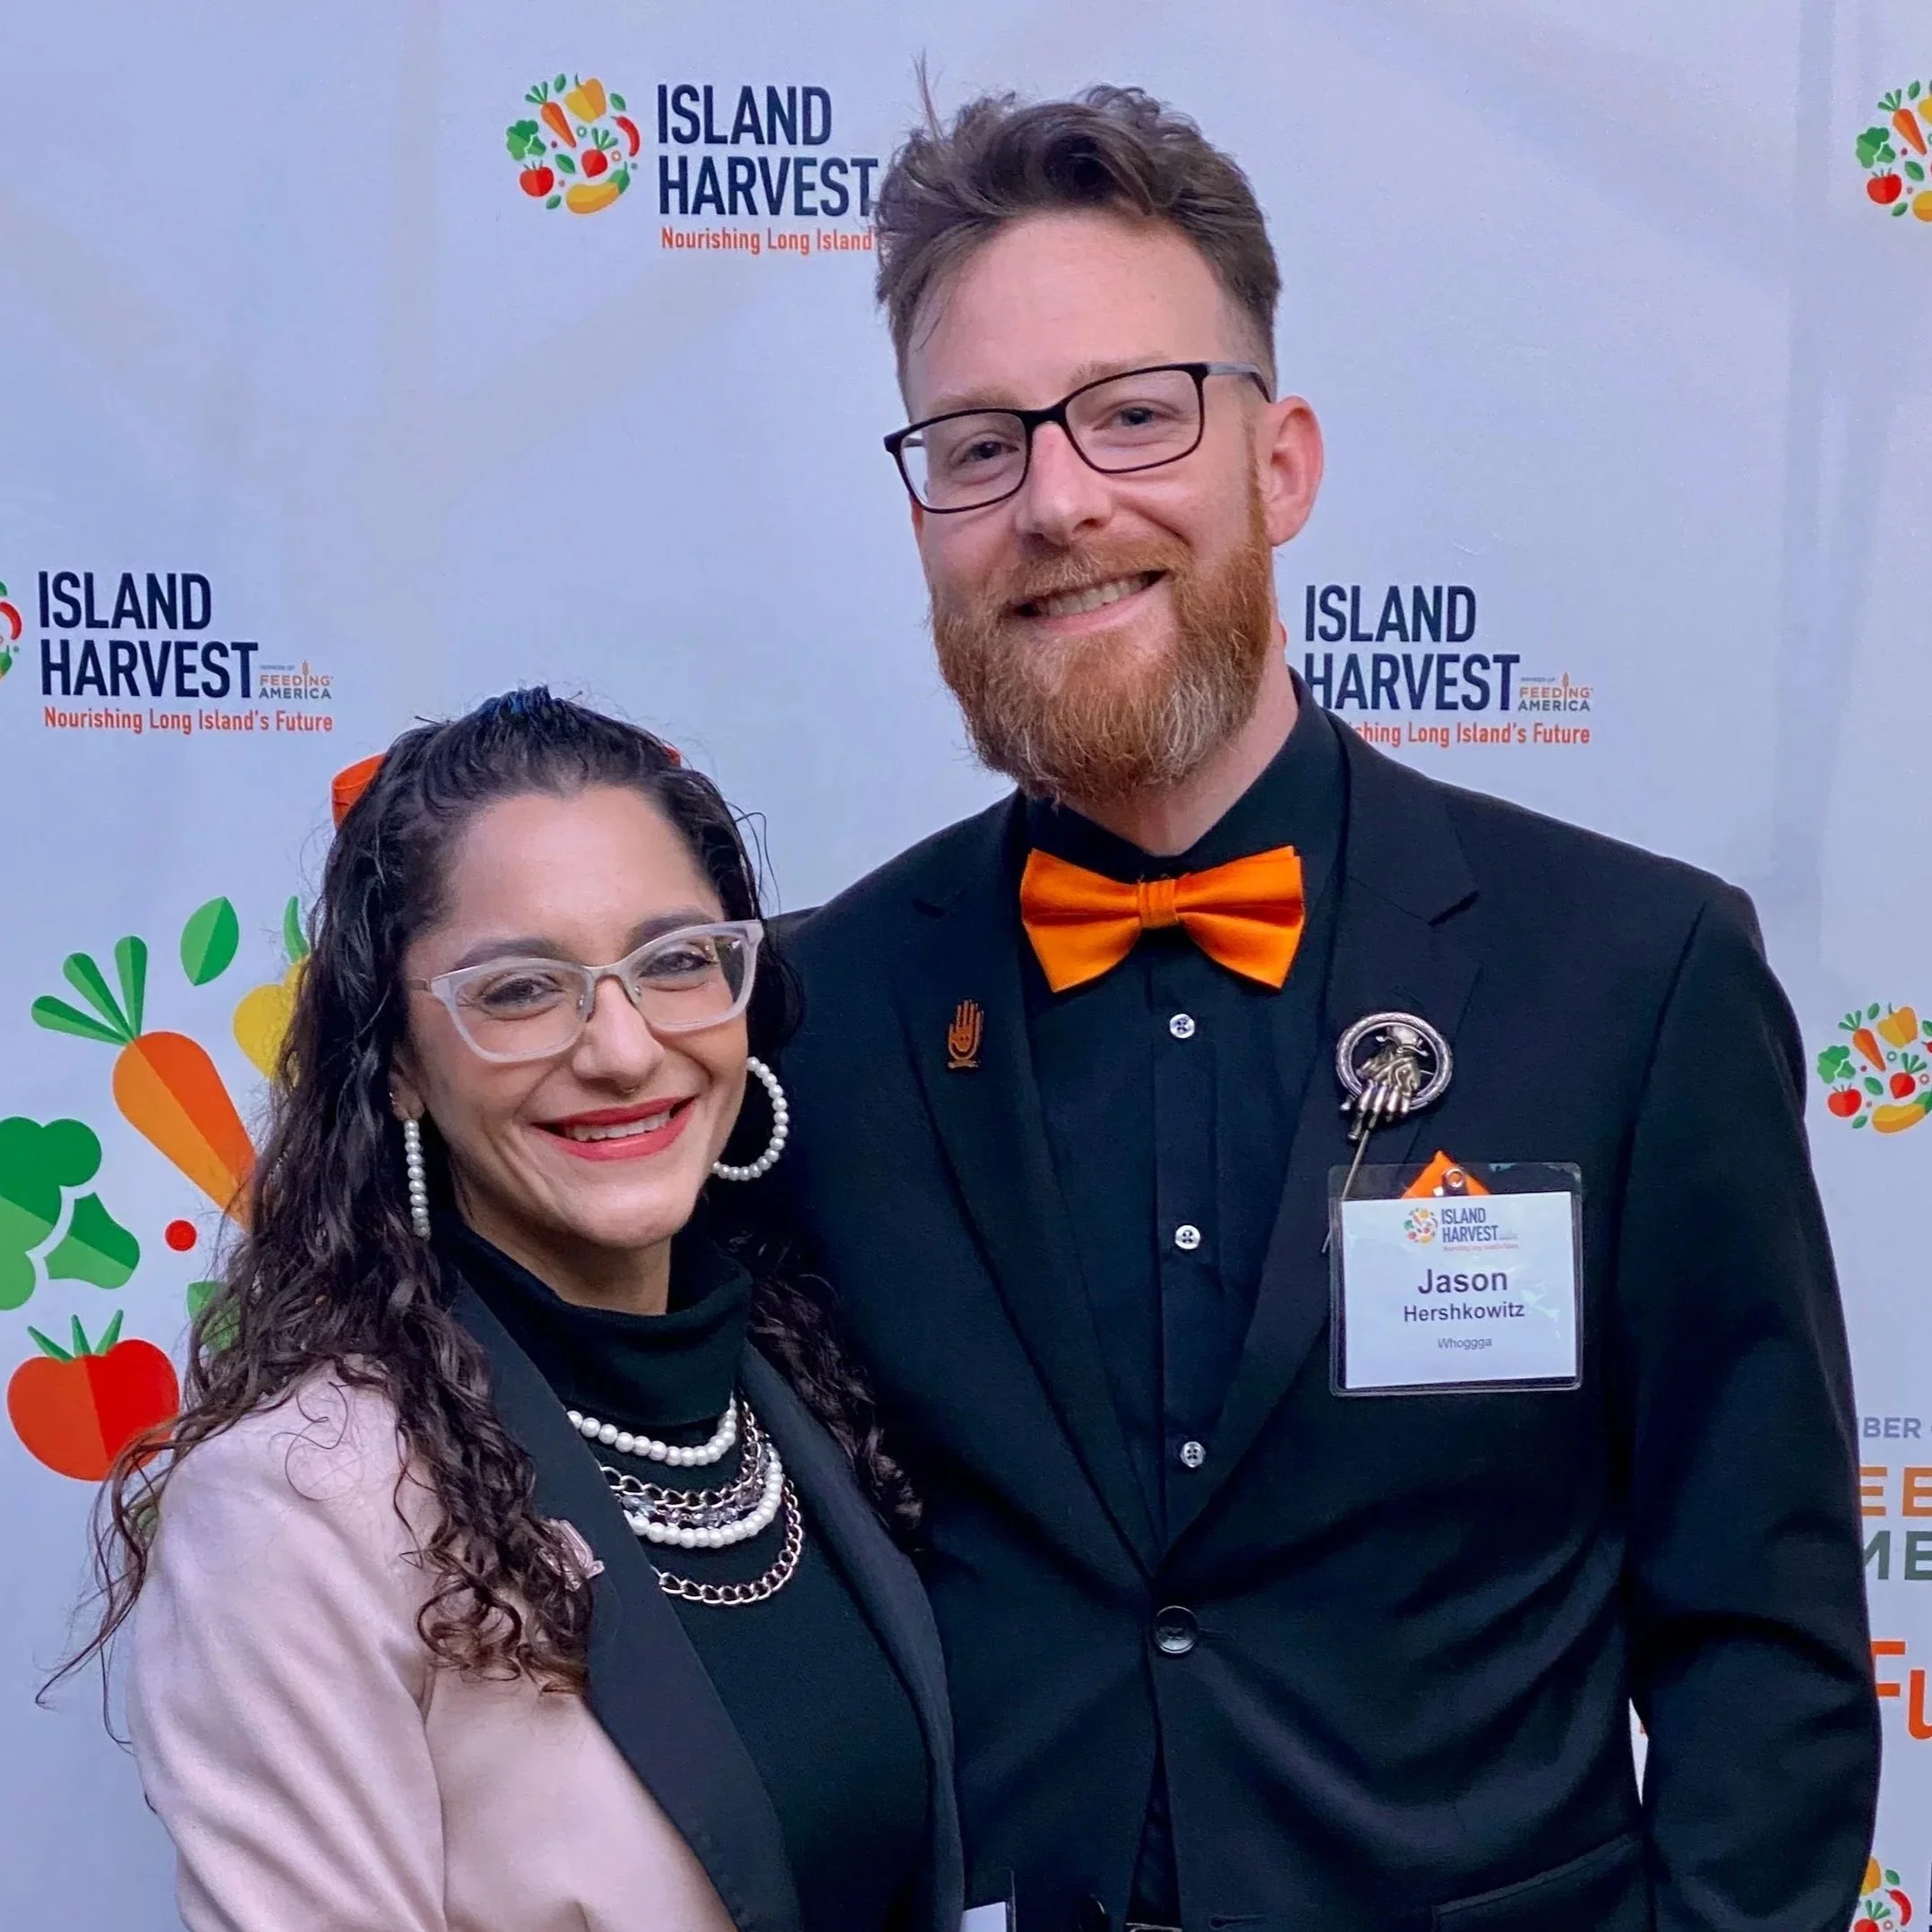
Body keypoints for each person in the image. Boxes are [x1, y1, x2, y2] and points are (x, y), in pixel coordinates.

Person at [768, 87, 1878, 1932]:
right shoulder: (827, 1011)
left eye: (1135, 415)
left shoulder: (1634, 978)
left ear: (1279, 465)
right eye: (977, 445)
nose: (1057, 499)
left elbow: (1763, 1653)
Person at [84, 691, 962, 1932]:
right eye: (518, 990)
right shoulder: (302, 1504)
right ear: (394, 1061)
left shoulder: (797, 1387)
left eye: (674, 964)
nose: (620, 1049)